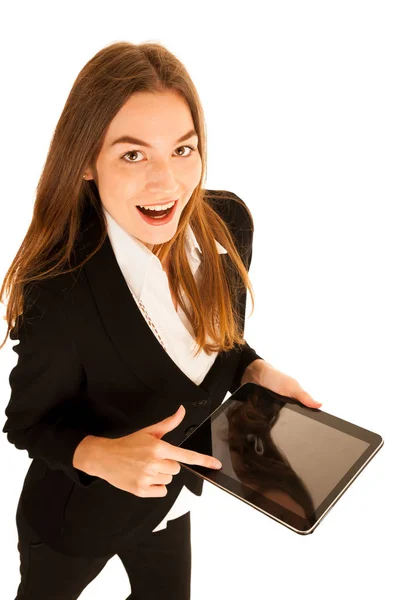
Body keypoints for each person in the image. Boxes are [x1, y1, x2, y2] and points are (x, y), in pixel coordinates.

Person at [1, 41, 266, 600]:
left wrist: (254, 370)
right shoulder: (58, 289)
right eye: (132, 154)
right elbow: (26, 423)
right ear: (86, 164)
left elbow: (215, 343)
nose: (166, 184)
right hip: (77, 516)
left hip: (167, 504)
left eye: (182, 149)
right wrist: (102, 454)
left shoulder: (227, 225)